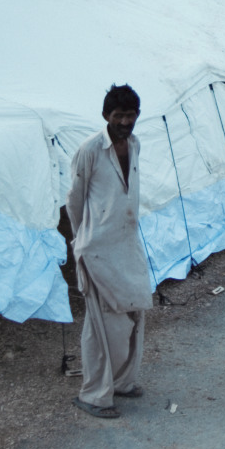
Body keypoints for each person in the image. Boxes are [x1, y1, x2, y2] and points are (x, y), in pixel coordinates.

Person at [64, 85, 152, 419]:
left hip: (127, 246)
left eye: (131, 116)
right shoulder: (90, 150)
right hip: (97, 250)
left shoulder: (135, 144)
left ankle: (123, 382)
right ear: (106, 116)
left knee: (134, 313)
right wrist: (82, 240)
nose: (125, 122)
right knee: (101, 326)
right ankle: (94, 395)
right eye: (119, 116)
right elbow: (74, 200)